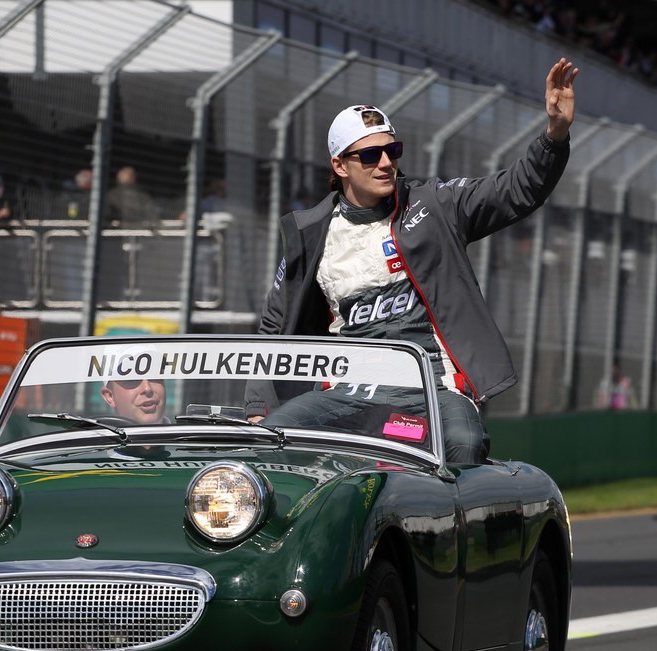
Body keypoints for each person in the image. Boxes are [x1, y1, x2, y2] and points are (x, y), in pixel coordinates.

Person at [248, 57, 579, 465]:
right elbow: (273, 327)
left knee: (462, 444)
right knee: (271, 439)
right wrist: (257, 408)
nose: (386, 163)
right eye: (370, 155)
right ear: (340, 166)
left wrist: (554, 134)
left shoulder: (436, 204)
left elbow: (514, 190)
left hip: (433, 389)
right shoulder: (309, 233)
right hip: (347, 393)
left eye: (392, 150)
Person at [100, 377, 167, 424]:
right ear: (110, 396)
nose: (147, 389)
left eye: (154, 377)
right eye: (132, 380)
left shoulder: (177, 435)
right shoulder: (94, 442)